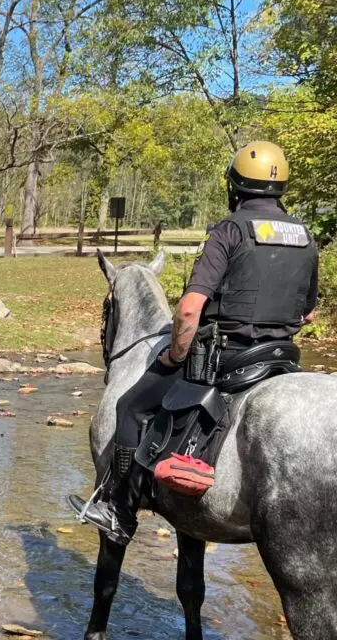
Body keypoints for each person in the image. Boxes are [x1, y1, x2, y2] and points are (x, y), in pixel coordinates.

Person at [69, 140, 319, 545]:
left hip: (227, 359)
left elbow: (188, 311)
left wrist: (174, 355)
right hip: (282, 362)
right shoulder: (304, 236)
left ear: (235, 187)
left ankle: (117, 509)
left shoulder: (229, 231)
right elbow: (308, 313)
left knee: (129, 405)